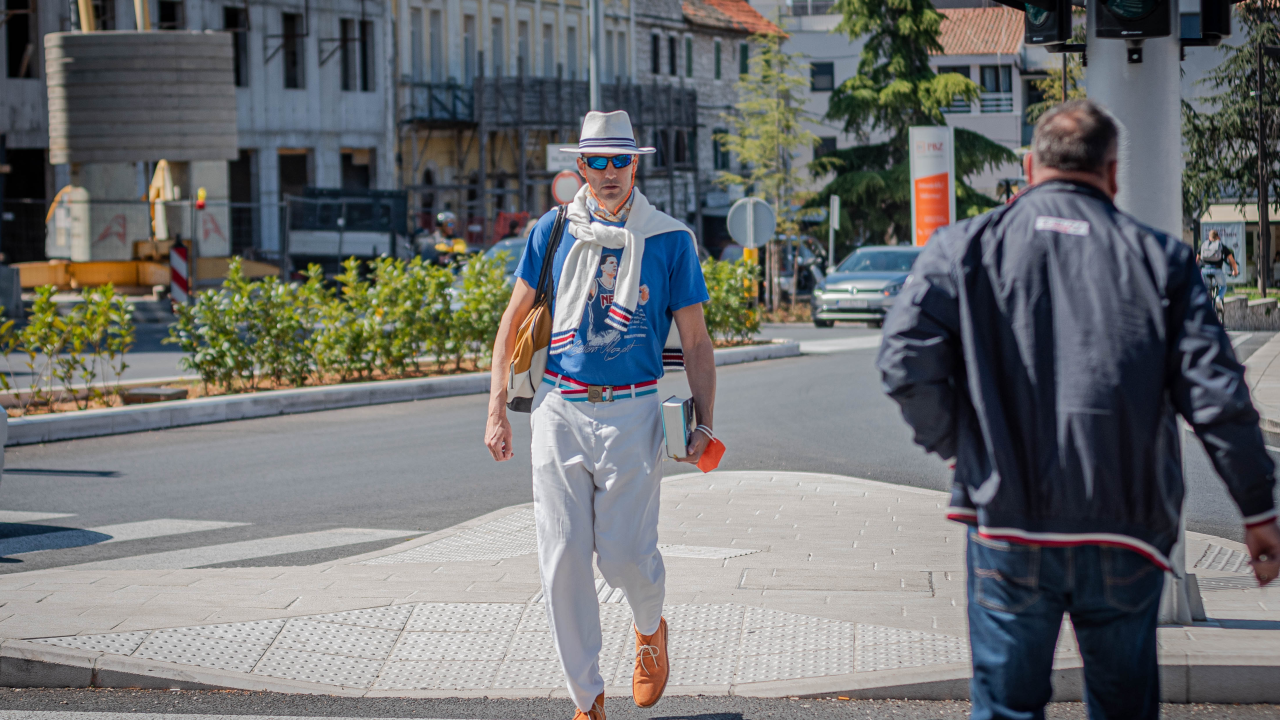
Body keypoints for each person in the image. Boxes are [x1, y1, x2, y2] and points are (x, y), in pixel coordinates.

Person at [878, 99, 1280, 720]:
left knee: (1008, 710)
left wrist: (963, 448)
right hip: (1126, 528)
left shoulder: (964, 246)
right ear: (1113, 173)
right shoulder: (1161, 260)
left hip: (1007, 523)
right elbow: (1218, 394)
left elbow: (905, 360)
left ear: (1032, 168)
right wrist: (1257, 507)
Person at [484, 110, 717, 720]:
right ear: (580, 166)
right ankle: (587, 701)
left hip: (635, 410)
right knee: (561, 558)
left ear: (635, 164)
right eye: (598, 162)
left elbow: (694, 342)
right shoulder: (554, 229)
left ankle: (649, 630)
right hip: (558, 406)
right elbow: (513, 322)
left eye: (621, 161)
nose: (610, 173)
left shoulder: (669, 239)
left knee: (621, 556)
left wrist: (705, 424)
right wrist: (497, 410)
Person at [1197, 228, 1238, 299]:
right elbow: (1232, 261)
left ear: (1209, 238)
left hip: (1204, 270)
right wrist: (1235, 271)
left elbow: (1197, 259)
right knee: (1223, 286)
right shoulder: (1221, 246)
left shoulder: (1203, 245)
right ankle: (1219, 298)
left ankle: (1206, 302)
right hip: (1216, 269)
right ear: (1218, 237)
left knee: (1206, 288)